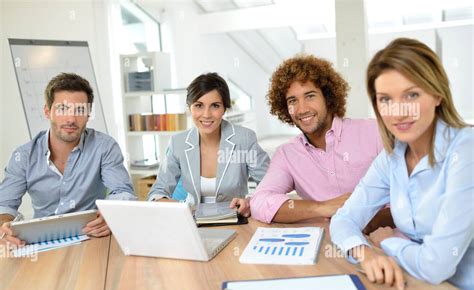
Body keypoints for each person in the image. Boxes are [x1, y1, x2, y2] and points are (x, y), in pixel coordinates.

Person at [330, 38, 473, 290]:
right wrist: (365, 254)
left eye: (412, 95)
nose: (398, 112)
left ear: (437, 94)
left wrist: (388, 242)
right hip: (418, 289)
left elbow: (435, 266)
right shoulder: (393, 158)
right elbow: (344, 219)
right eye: (385, 99)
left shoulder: (466, 151)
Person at [250, 54, 392, 231]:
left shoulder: (375, 133)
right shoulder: (287, 155)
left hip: (384, 241)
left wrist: (365, 217)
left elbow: (416, 197)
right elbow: (260, 202)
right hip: (326, 246)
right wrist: (322, 207)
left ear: (328, 97)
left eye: (310, 96)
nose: (301, 109)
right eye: (292, 100)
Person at [0, 73, 136, 247]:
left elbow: (123, 192)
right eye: (63, 109)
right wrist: (3, 228)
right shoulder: (24, 156)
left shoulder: (105, 147)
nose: (71, 119)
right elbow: (4, 205)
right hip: (41, 244)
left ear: (88, 114)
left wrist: (111, 214)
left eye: (80, 110)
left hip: (93, 238)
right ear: (47, 112)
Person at [147, 72, 270, 216]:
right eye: (198, 105)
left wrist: (250, 201)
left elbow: (271, 185)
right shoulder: (177, 143)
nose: (206, 114)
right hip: (192, 221)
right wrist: (175, 208)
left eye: (215, 106)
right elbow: (157, 192)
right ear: (189, 108)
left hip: (235, 219)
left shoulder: (245, 138)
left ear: (225, 108)